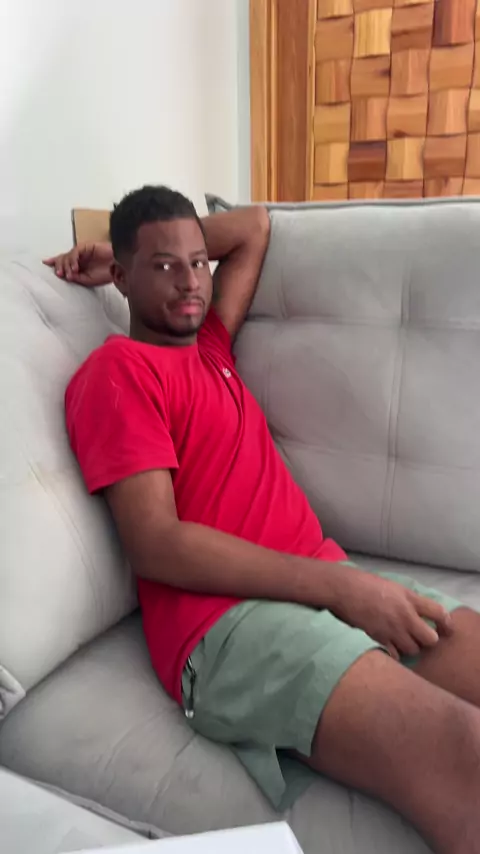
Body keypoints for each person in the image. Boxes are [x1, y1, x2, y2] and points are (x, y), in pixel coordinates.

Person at [45, 185, 480, 854]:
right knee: (463, 753)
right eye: (164, 267)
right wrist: (343, 588)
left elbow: (253, 227)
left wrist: (120, 250)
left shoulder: (212, 351)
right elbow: (156, 543)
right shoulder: (117, 372)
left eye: (197, 263)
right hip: (226, 626)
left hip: (323, 580)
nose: (190, 281)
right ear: (123, 281)